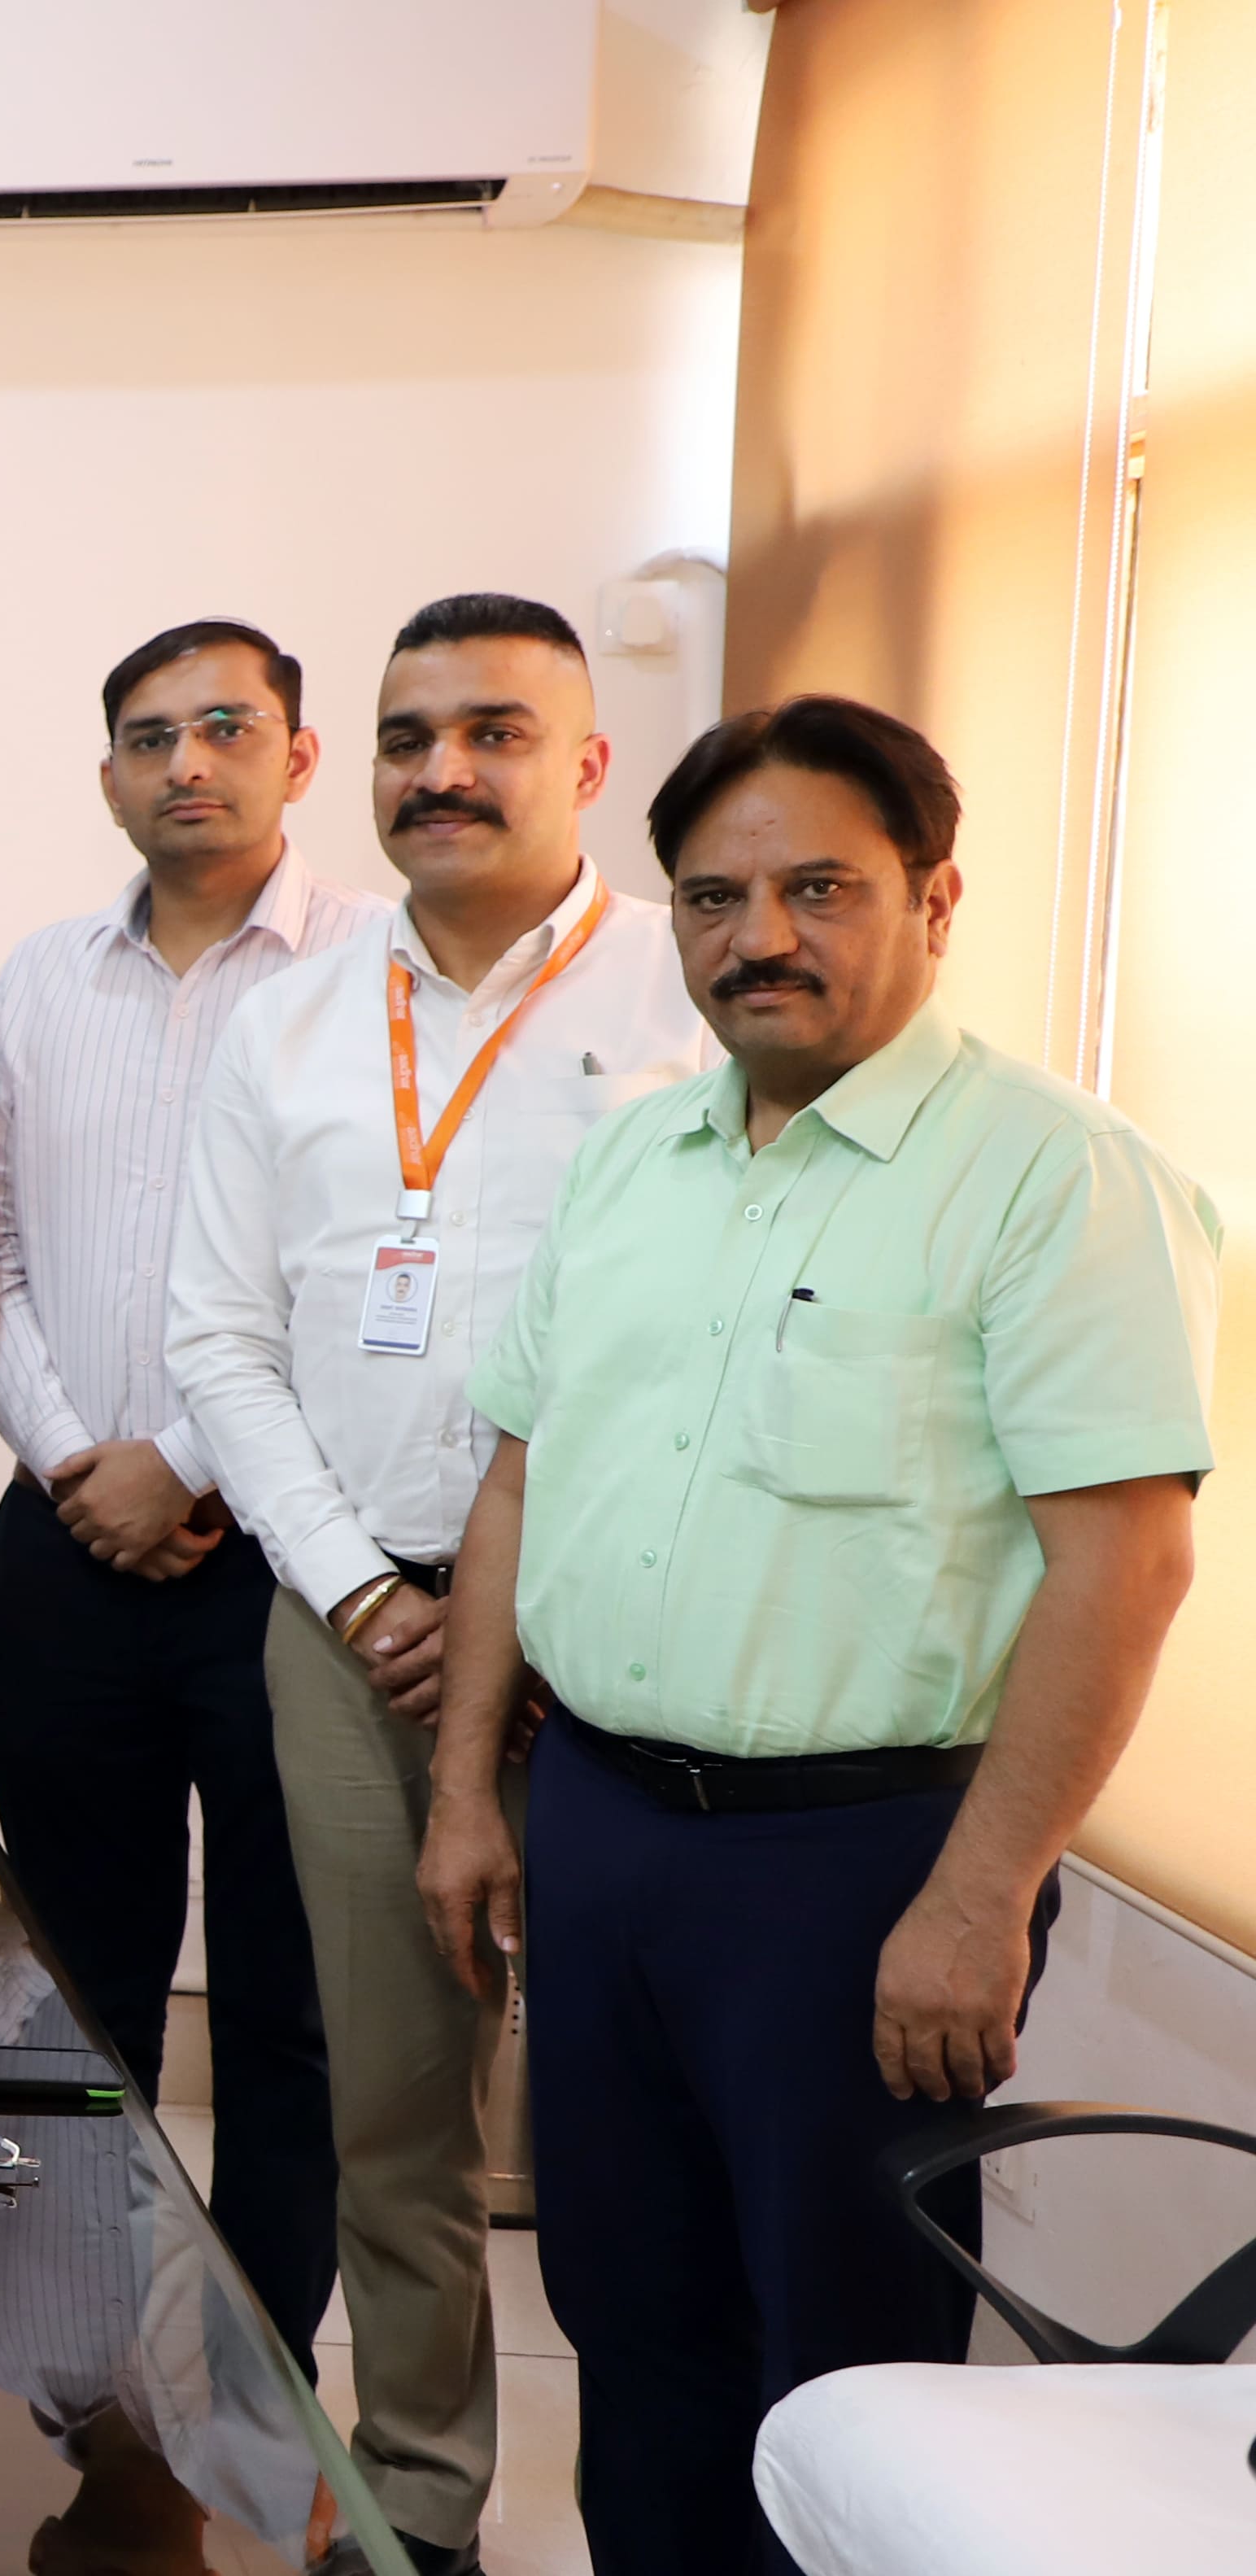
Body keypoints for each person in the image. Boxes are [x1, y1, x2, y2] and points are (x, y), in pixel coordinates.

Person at [420, 696, 1215, 2573]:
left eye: (820, 888)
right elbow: (519, 1482)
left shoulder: (1053, 1175)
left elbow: (1123, 1566)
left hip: (859, 1868)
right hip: (603, 1823)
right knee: (629, 2319)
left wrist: (980, 1895)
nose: (758, 935)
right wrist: (464, 1793)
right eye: (714, 896)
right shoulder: (634, 1159)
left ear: (936, 898)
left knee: (847, 2367)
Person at [160, 592, 708, 2576]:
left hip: (618, 1635)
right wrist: (357, 1594)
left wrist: (509, 1617)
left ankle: (684, 2506)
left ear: (591, 765)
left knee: (634, 2123)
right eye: (408, 736)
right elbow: (220, 1339)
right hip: (348, 1629)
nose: (442, 770)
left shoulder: (689, 994)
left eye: (494, 731)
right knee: (392, 2106)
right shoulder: (289, 1020)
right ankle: (417, 2497)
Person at [0, 619, 374, 2364]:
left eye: (226, 727)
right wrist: (78, 1461)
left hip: (295, 1552)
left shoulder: (377, 970)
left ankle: (255, 2382)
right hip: (65, 1546)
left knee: (291, 2005)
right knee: (71, 1994)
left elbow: (369, 1265)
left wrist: (187, 1462)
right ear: (108, 775)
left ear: (299, 755)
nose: (186, 762)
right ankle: (79, 2365)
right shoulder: (42, 978)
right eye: (150, 736)